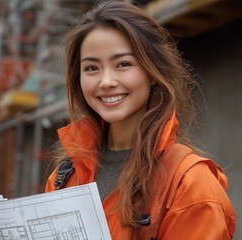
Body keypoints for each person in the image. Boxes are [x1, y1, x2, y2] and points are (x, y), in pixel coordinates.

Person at [45, 1, 236, 239]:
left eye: (123, 64)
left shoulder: (189, 184)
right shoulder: (64, 177)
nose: (106, 81)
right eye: (92, 68)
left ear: (152, 72)